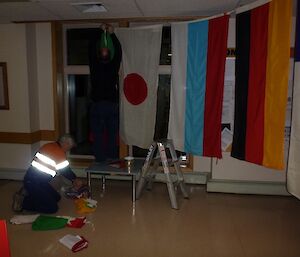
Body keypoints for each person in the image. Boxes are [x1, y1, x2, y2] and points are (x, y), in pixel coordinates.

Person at [20, 134, 82, 214]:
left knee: (57, 198)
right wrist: (75, 179)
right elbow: (65, 171)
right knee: (52, 208)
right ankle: (24, 203)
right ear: (65, 143)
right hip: (33, 183)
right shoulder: (58, 152)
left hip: (40, 182)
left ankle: (31, 195)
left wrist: (74, 179)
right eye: (69, 147)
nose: (68, 149)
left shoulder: (49, 145)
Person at [88, 23, 122, 162]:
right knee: (112, 134)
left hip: (98, 105)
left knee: (98, 134)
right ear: (109, 56)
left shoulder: (95, 66)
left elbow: (90, 50)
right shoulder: (113, 66)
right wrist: (112, 34)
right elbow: (118, 53)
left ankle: (101, 159)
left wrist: (99, 31)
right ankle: (112, 158)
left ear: (99, 56)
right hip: (111, 105)